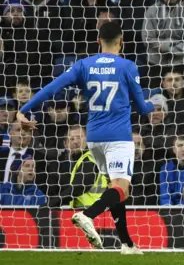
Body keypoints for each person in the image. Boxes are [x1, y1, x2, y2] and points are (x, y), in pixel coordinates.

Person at [15, 22, 154, 255]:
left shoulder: (83, 65)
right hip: (118, 137)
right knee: (123, 189)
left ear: (98, 41)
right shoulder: (128, 66)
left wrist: (23, 110)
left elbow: (51, 87)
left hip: (94, 137)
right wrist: (152, 103)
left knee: (114, 187)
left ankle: (127, 244)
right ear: (122, 40)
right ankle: (87, 215)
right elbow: (141, 108)